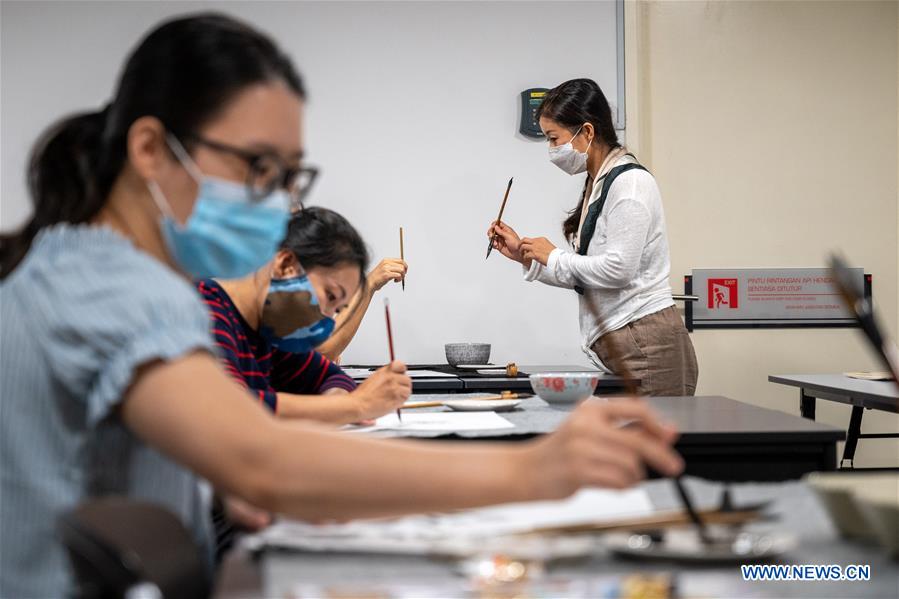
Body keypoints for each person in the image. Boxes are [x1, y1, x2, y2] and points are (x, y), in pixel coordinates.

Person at [0, 16, 683, 597]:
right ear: (150, 149)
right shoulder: (121, 287)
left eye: (291, 176)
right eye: (257, 168)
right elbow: (260, 456)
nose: (280, 204)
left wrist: (206, 480)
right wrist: (531, 468)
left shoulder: (82, 262)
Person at [489, 78, 698, 397]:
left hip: (648, 344)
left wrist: (554, 255)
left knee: (649, 446)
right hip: (630, 344)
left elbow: (618, 270)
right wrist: (525, 255)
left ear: (587, 131)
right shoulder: (596, 185)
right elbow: (588, 276)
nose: (552, 150)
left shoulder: (630, 185)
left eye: (554, 138)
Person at [198, 207, 408, 424]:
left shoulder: (270, 331)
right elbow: (229, 408)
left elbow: (332, 377)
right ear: (286, 264)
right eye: (330, 295)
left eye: (337, 310)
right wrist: (355, 405)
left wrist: (336, 406)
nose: (327, 318)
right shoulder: (203, 310)